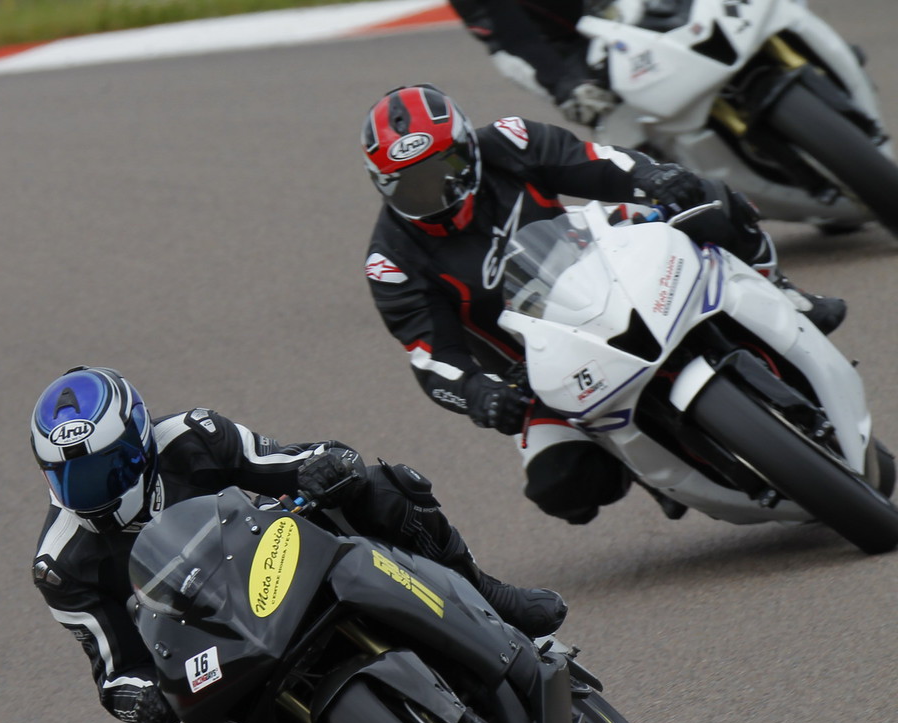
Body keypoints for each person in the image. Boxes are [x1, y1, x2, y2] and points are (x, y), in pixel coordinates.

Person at [30, 365, 567, 723]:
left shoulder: (195, 435)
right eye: (71, 477)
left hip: (281, 562)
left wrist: (327, 465)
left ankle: (487, 595)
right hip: (220, 646)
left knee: (382, 487)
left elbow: (292, 459)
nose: (93, 488)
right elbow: (115, 671)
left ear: (141, 440)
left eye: (108, 466)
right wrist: (142, 699)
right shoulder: (59, 564)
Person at [360, 84, 845, 525]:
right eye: (407, 184)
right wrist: (479, 394)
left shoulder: (510, 141)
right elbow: (431, 358)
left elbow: (595, 161)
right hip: (540, 366)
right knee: (562, 487)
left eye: (440, 171)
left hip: (607, 269)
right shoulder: (391, 261)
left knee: (706, 200)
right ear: (381, 184)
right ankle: (633, 463)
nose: (430, 193)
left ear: (468, 148)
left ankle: (786, 295)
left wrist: (653, 176)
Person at [448, 0, 619, 127]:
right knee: (598, 108)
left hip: (611, 17)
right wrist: (563, 86)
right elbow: (515, 42)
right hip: (558, 52)